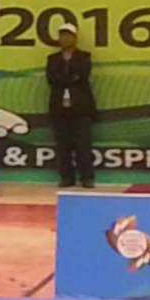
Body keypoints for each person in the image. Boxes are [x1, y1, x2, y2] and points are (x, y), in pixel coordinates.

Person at [47, 24, 97, 188]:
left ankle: (87, 177)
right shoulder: (53, 59)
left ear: (75, 38)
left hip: (80, 109)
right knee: (63, 145)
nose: (65, 38)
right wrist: (69, 78)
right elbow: (52, 79)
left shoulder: (84, 57)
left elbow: (82, 75)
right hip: (59, 109)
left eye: (68, 35)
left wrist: (65, 78)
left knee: (83, 145)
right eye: (62, 35)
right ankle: (66, 177)